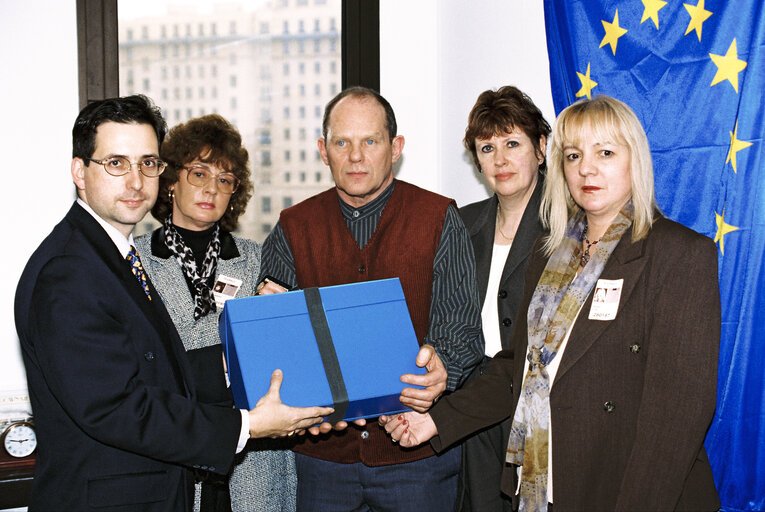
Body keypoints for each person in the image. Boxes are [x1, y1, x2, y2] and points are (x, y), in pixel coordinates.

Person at [381, 95, 721, 511]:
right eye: (574, 155)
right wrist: (434, 421)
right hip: (549, 482)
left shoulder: (678, 254)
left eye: (606, 152)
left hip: (629, 489)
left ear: (637, 160)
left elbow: (678, 415)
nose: (587, 168)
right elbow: (517, 367)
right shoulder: (550, 254)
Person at [14, 95, 332, 512]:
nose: (134, 180)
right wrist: (248, 425)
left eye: (147, 163)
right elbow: (119, 407)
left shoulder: (111, 257)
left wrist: (249, 344)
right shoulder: (69, 271)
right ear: (80, 171)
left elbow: (153, 368)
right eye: (116, 163)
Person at [259, 86, 484, 512]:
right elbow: (276, 344)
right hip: (322, 463)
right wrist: (268, 319)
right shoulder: (293, 227)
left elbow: (462, 334)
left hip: (416, 458)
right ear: (323, 151)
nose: (356, 156)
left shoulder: (439, 218)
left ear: (395, 148)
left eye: (370, 141)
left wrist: (442, 373)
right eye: (342, 142)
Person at [135, 114, 296, 512]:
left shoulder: (258, 259)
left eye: (225, 180)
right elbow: (140, 365)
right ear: (170, 181)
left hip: (253, 465)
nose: (211, 188)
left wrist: (282, 318)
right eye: (199, 173)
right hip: (172, 456)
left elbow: (284, 360)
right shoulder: (134, 259)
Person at [456, 86, 550, 512]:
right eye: (487, 147)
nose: (500, 159)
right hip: (474, 411)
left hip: (543, 414)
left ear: (542, 148)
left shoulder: (570, 223)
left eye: (513, 143)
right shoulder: (460, 223)